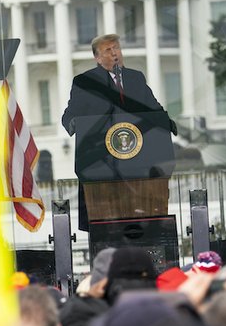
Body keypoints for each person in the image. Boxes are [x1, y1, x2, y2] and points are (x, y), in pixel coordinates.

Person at [60, 34, 176, 230]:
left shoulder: (135, 77)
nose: (115, 53)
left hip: (138, 164)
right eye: (108, 50)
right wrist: (74, 124)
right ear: (97, 57)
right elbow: (69, 115)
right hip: (101, 167)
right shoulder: (84, 82)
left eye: (117, 48)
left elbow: (152, 107)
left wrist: (165, 121)